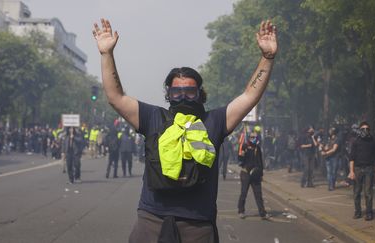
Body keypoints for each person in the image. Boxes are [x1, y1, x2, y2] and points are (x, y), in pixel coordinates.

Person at [92, 18, 277, 243]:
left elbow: (249, 96)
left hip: (197, 224)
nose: (182, 97)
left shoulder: (214, 120)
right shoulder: (154, 117)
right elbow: (115, 97)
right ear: (168, 94)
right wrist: (106, 54)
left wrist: (267, 58)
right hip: (152, 220)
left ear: (200, 93)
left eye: (189, 92)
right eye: (176, 92)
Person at [348, 121, 375, 221]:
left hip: (369, 169)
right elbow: (351, 158)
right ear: (360, 130)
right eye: (363, 129)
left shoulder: (373, 141)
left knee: (368, 192)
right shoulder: (356, 141)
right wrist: (351, 171)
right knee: (357, 192)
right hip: (357, 169)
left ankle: (369, 213)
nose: (365, 131)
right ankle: (358, 212)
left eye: (367, 129)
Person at [237, 132, 269, 219]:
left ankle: (262, 213)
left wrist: (261, 174)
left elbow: (260, 162)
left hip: (255, 174)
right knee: (243, 193)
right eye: (251, 137)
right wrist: (242, 155)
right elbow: (240, 161)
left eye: (255, 137)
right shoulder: (244, 147)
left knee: (258, 195)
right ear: (249, 138)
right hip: (246, 173)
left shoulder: (257, 148)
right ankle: (241, 210)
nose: (253, 139)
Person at [321, 127, 340, 191]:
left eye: (331, 130)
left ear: (334, 131)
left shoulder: (337, 139)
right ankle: (330, 186)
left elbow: (334, 149)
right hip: (328, 157)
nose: (329, 131)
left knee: (334, 172)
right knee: (329, 172)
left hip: (334, 157)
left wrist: (325, 153)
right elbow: (326, 147)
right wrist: (322, 148)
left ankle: (332, 184)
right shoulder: (328, 139)